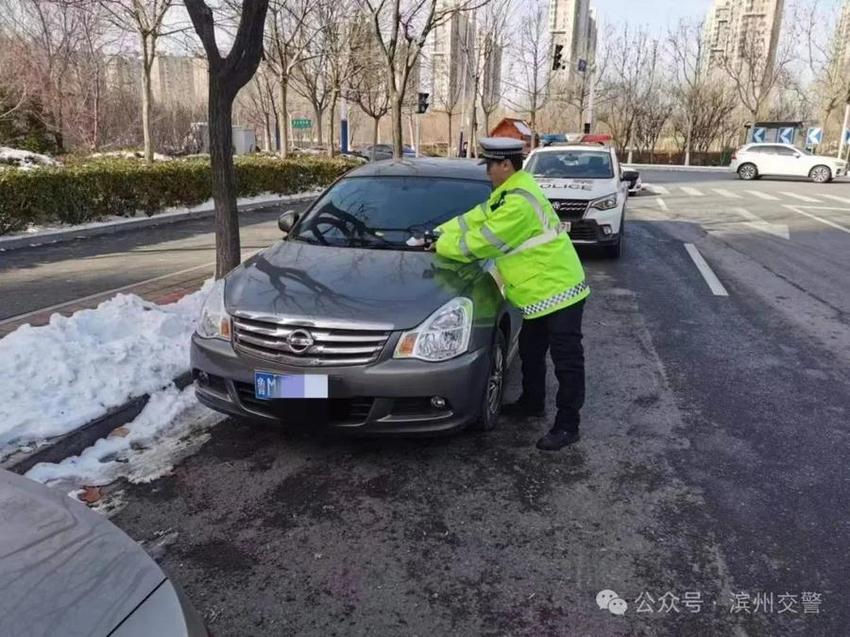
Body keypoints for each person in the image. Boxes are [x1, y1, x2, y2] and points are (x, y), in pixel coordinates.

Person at [434, 138, 590, 451]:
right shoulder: (508, 193)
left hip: (559, 290)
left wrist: (440, 246)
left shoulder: (518, 204)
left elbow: (482, 242)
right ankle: (532, 403)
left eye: (490, 165)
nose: (487, 171)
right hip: (538, 293)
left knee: (566, 361)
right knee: (532, 353)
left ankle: (568, 424)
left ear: (506, 165)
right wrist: (439, 230)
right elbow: (474, 218)